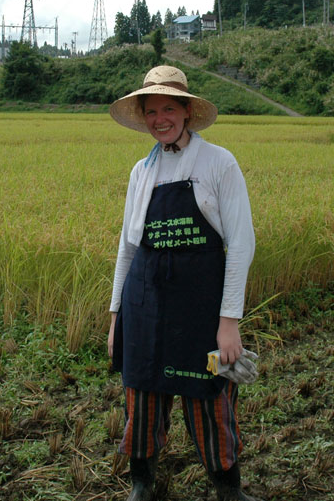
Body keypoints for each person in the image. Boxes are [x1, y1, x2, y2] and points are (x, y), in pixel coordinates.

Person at [107, 65, 262, 501]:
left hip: (200, 309)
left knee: (209, 398)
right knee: (142, 397)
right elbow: (128, 248)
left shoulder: (217, 162)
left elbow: (242, 244)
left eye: (169, 108)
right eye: (152, 110)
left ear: (187, 111)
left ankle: (227, 489)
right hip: (145, 303)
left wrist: (228, 322)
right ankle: (142, 481)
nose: (160, 118)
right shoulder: (142, 171)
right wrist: (116, 316)